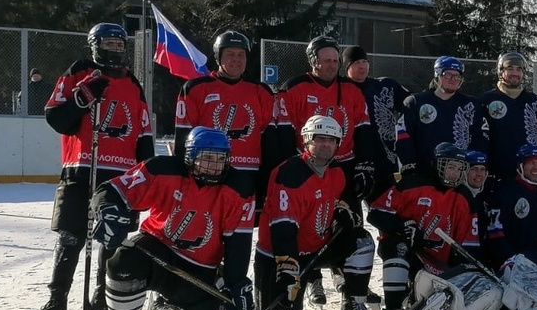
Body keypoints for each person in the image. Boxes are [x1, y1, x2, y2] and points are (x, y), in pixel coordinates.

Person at [91, 127, 253, 310]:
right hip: (157, 249)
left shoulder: (239, 188)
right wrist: (107, 210)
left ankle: (167, 309)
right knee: (122, 261)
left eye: (221, 159)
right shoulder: (161, 170)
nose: (214, 166)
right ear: (190, 156)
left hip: (199, 266)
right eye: (207, 158)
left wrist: (236, 282)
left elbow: (238, 243)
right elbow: (110, 190)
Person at [27, 23, 154, 310]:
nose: (115, 49)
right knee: (71, 237)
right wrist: (82, 99)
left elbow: (144, 137)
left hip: (120, 177)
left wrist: (145, 179)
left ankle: (103, 295)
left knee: (112, 239)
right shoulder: (79, 72)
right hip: (81, 168)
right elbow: (56, 117)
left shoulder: (133, 84)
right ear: (95, 45)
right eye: (109, 43)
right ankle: (57, 302)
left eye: (120, 44)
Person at [254, 116, 381, 310]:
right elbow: (283, 228)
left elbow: (344, 197)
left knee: (362, 241)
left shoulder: (337, 170)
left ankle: (352, 305)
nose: (325, 144)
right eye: (319, 139)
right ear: (306, 140)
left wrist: (343, 211)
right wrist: (287, 270)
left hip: (316, 248)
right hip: (281, 255)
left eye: (331, 140)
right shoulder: (290, 174)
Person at [368, 143, 480, 310]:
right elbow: (376, 214)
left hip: (436, 265)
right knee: (398, 249)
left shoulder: (464, 198)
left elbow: (467, 245)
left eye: (459, 169)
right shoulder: (411, 184)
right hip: (408, 254)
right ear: (438, 165)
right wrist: (402, 226)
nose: (454, 174)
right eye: (450, 167)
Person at [273, 35, 380, 207]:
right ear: (314, 61)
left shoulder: (351, 89)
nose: (332, 65)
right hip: (308, 164)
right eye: (327, 61)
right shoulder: (294, 88)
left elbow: (363, 130)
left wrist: (365, 164)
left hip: (345, 164)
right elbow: (284, 132)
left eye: (335, 61)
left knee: (349, 222)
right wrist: (290, 165)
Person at [174, 30, 275, 202]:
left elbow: (270, 140)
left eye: (241, 54)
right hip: (208, 172)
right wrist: (182, 177)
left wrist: (266, 180)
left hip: (248, 173)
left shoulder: (261, 91)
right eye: (230, 54)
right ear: (218, 56)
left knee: (242, 228)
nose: (236, 59)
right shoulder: (195, 88)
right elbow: (183, 137)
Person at [341, 45, 409, 203]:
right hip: (352, 162)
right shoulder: (339, 88)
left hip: (385, 161)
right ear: (347, 67)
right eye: (356, 62)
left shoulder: (384, 86)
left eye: (365, 61)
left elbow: (413, 105)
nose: (362, 66)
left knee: (387, 212)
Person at [484, 144, 537, 267]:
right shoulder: (506, 193)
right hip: (516, 265)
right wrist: (511, 260)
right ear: (521, 166)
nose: (535, 167)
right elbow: (496, 233)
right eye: (531, 162)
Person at [395, 56, 480, 179]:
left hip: (459, 173)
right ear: (437, 75)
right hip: (423, 173)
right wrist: (410, 165)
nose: (453, 79)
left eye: (457, 76)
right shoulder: (415, 102)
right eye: (448, 74)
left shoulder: (471, 104)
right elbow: (403, 136)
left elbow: (480, 137)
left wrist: (472, 162)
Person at [476, 50, 537, 183]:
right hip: (497, 176)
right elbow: (480, 139)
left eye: (519, 69)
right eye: (510, 68)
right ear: (501, 71)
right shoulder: (486, 100)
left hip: (528, 177)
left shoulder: (533, 101)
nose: (515, 73)